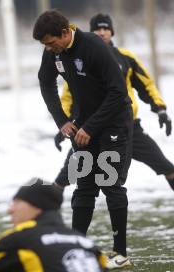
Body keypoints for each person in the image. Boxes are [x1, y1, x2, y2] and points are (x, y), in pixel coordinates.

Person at [33, 10, 134, 269]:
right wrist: (62, 121)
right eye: (44, 45)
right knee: (84, 187)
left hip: (113, 124)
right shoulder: (53, 52)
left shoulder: (94, 47)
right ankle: (78, 248)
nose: (49, 48)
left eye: (51, 42)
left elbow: (118, 93)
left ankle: (120, 253)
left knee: (110, 184)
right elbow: (45, 83)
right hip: (83, 127)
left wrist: (90, 126)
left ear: (65, 33)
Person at [54, 14, 174, 195]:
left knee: (166, 167)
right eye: (97, 29)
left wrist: (161, 110)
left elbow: (146, 85)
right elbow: (69, 95)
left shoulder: (125, 58)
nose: (102, 33)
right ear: (90, 32)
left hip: (127, 125)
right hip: (89, 128)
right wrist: (64, 123)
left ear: (112, 32)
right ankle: (43, 215)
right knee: (66, 175)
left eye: (105, 29)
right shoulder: (78, 58)